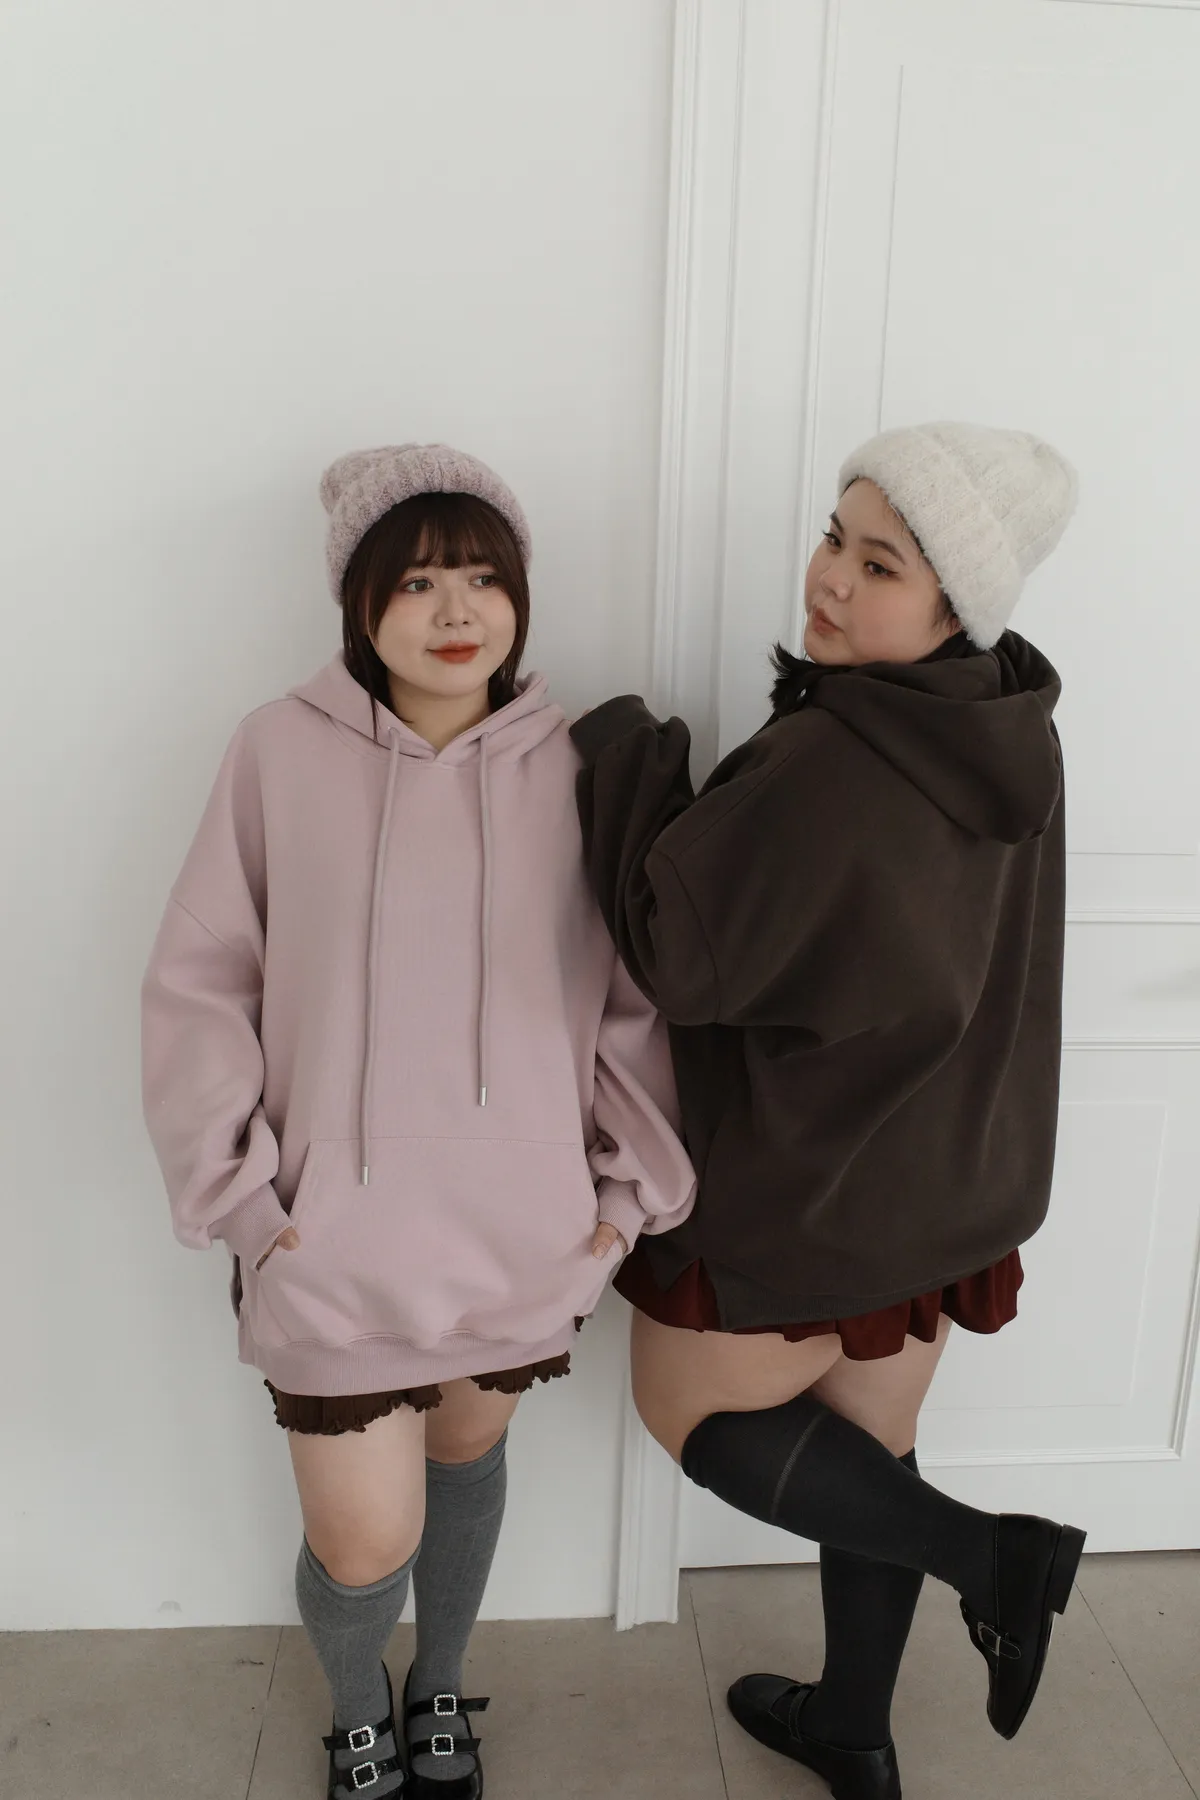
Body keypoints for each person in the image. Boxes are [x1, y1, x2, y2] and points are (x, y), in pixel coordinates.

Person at [142, 443, 695, 1800]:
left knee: (466, 1461)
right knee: (360, 1540)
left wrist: (617, 1208)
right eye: (419, 582)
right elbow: (200, 980)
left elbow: (632, 1005)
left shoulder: (582, 767)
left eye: (485, 579)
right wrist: (248, 1206)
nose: (458, 611)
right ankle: (358, 1712)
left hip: (523, 1238)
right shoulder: (278, 751)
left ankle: (439, 1687)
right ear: (361, 603)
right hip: (328, 1245)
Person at [570, 422, 1083, 1800]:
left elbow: (675, 950)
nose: (833, 579)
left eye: (882, 563)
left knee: (692, 1415)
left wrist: (624, 754)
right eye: (834, 537)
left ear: (955, 607)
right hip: (951, 1177)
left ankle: (992, 1559)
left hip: (816, 1177)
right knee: (874, 1453)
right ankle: (852, 1728)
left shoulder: (838, 754)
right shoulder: (1010, 730)